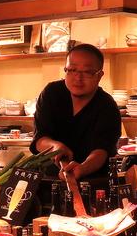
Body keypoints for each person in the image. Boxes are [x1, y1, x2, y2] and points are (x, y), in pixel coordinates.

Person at [30, 43, 121, 180]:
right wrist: (55, 146)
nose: (78, 78)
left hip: (91, 181)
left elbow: (102, 150)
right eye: (72, 70)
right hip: (47, 179)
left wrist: (82, 168)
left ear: (99, 75)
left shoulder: (107, 106)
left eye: (87, 72)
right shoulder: (52, 92)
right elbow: (40, 138)